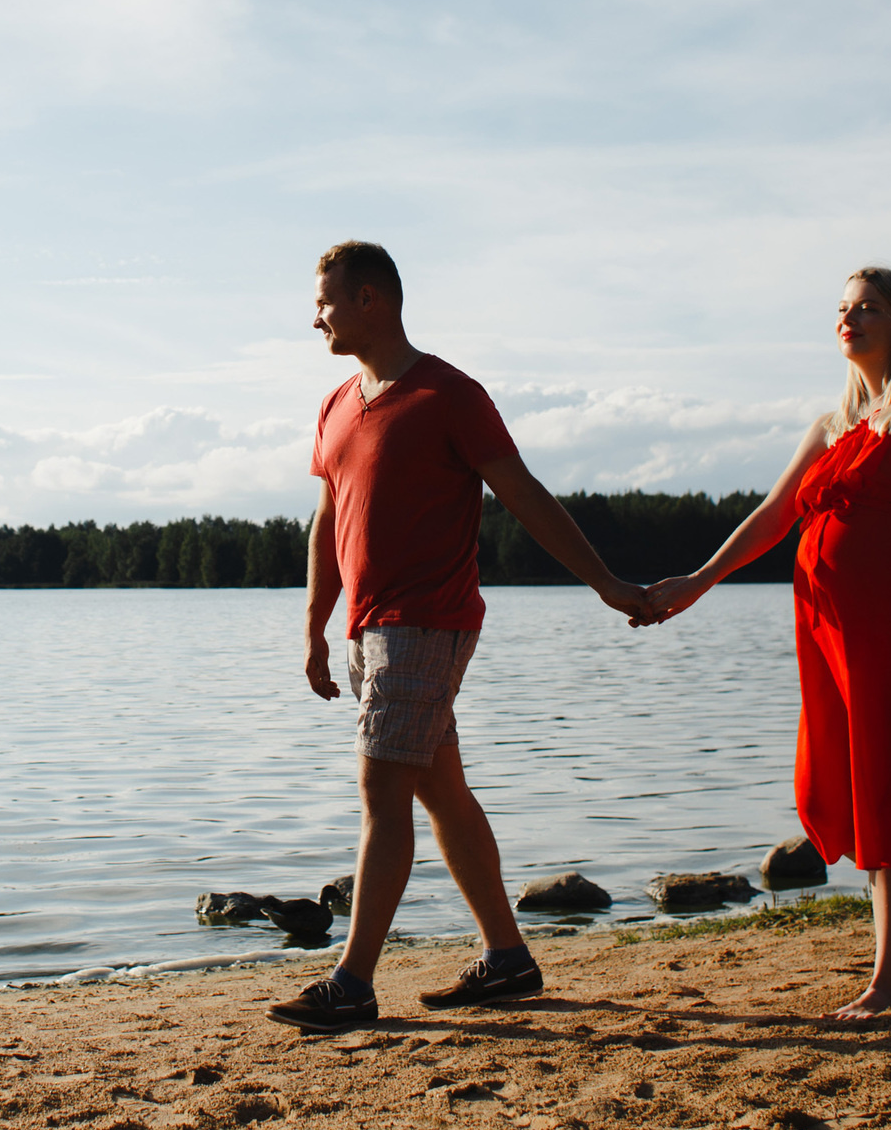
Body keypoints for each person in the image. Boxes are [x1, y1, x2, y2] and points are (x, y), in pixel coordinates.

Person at [270, 240, 651, 1034]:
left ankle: (353, 981)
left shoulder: (449, 395)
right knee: (439, 790)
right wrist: (313, 626)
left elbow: (526, 495)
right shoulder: (338, 403)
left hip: (426, 623)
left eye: (326, 302)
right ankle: (508, 957)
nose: (316, 318)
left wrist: (608, 584)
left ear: (372, 299)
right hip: (369, 629)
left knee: (381, 790)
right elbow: (328, 520)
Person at [643, 266, 891, 1019]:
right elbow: (775, 518)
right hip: (830, 638)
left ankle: (887, 984)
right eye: (842, 309)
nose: (849, 319)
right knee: (844, 784)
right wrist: (700, 578)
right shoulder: (832, 425)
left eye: (868, 308)